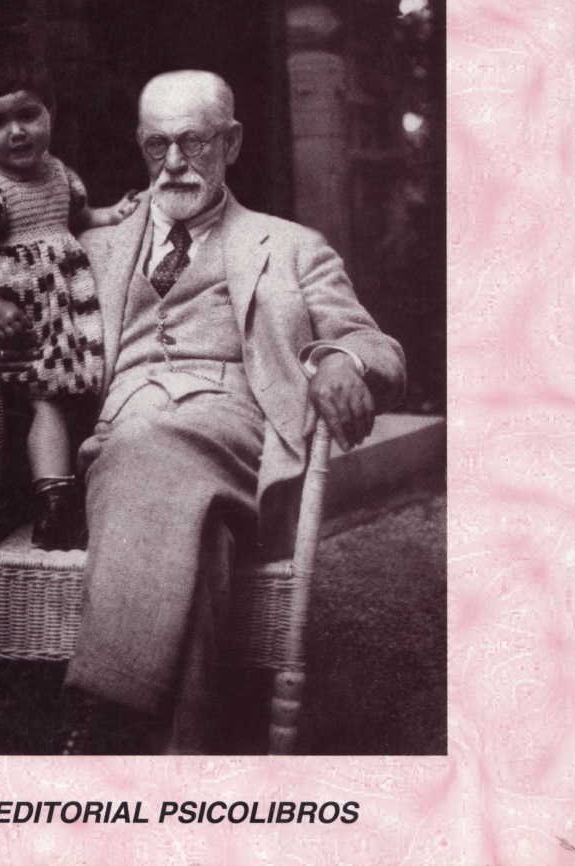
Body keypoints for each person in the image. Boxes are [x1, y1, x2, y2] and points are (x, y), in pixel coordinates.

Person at [63, 69, 405, 751]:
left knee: (154, 443)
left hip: (236, 431)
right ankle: (182, 754)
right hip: (120, 437)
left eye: (193, 142)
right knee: (199, 526)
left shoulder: (292, 245)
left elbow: (380, 347)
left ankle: (109, 714)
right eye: (156, 145)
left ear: (233, 143)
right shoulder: (94, 247)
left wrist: (341, 360)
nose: (174, 163)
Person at [0, 51, 137, 549]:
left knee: (64, 399)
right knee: (38, 402)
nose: (17, 132)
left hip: (62, 315)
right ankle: (51, 504)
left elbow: (78, 218)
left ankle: (69, 497)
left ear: (52, 113)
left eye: (28, 115)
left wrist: (113, 214)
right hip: (12, 320)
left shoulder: (59, 175)